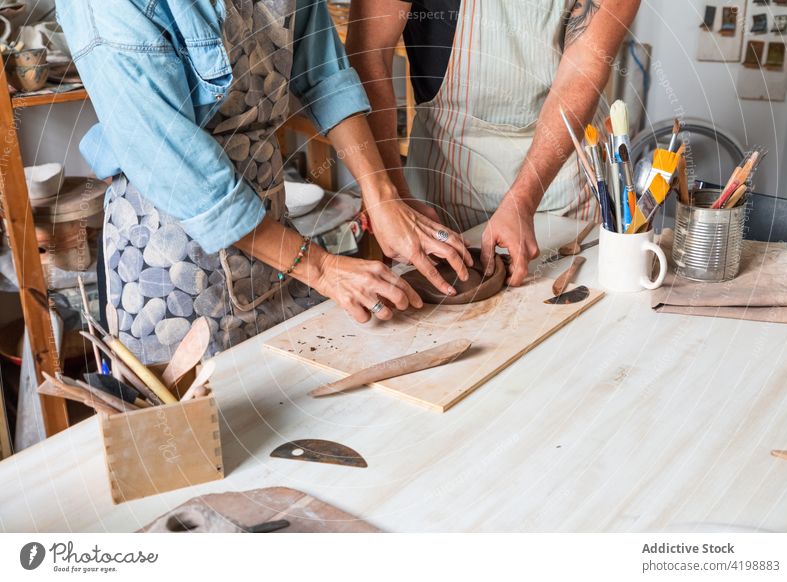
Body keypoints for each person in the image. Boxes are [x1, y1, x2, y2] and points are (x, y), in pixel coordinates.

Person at [55, 0, 472, 364]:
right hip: (170, 250)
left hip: (273, 224)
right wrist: (322, 267)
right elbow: (172, 159)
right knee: (207, 436)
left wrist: (383, 196)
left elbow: (325, 76)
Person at [347, 0, 641, 286]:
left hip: (564, 183)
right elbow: (369, 56)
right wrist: (392, 196)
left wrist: (523, 200)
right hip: (445, 176)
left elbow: (583, 70)